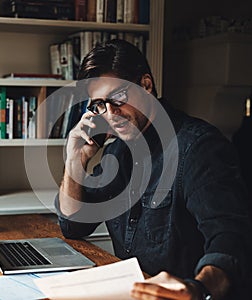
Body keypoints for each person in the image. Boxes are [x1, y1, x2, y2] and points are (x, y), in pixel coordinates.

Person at [55, 39, 252, 299]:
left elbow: (230, 239)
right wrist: (74, 160)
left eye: (118, 97)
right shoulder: (117, 151)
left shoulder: (199, 147)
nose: (111, 114)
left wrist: (198, 288)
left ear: (146, 85)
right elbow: (74, 224)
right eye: (99, 105)